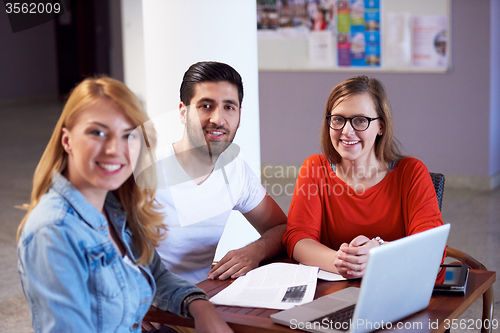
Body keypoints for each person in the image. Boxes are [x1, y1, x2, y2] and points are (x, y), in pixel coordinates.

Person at [16, 76, 232, 333]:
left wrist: (199, 305)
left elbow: (155, 273)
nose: (113, 150)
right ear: (67, 140)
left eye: (129, 136)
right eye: (97, 132)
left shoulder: (114, 206)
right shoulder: (53, 232)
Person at [282, 76, 444, 279]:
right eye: (338, 119)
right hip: (332, 292)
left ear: (381, 127)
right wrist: (342, 262)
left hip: (396, 287)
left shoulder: (411, 172)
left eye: (360, 120)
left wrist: (378, 252)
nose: (347, 131)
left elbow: (430, 248)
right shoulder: (315, 168)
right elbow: (298, 239)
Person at [153, 61, 287, 284]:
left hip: (199, 302)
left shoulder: (235, 170)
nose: (218, 119)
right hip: (145, 310)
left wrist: (254, 251)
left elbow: (282, 228)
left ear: (239, 115)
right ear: (183, 113)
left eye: (229, 107)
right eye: (205, 106)